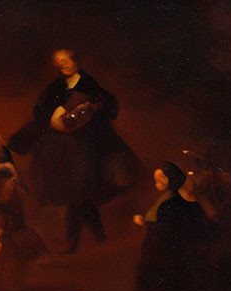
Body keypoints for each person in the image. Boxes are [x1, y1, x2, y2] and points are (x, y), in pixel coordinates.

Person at [13, 49, 139, 253]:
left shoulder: (89, 85)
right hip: (61, 147)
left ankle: (74, 239)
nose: (62, 65)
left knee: (79, 190)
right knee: (79, 191)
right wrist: (53, 118)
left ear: (75, 62)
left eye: (65, 61)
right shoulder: (55, 87)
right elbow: (39, 111)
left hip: (85, 145)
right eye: (58, 63)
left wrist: (91, 108)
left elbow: (109, 107)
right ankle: (99, 235)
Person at [134, 162, 207, 291]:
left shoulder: (172, 202)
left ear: (171, 179)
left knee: (161, 289)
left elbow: (169, 228)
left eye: (161, 178)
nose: (156, 182)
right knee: (160, 290)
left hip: (164, 253)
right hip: (163, 251)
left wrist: (149, 225)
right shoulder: (168, 199)